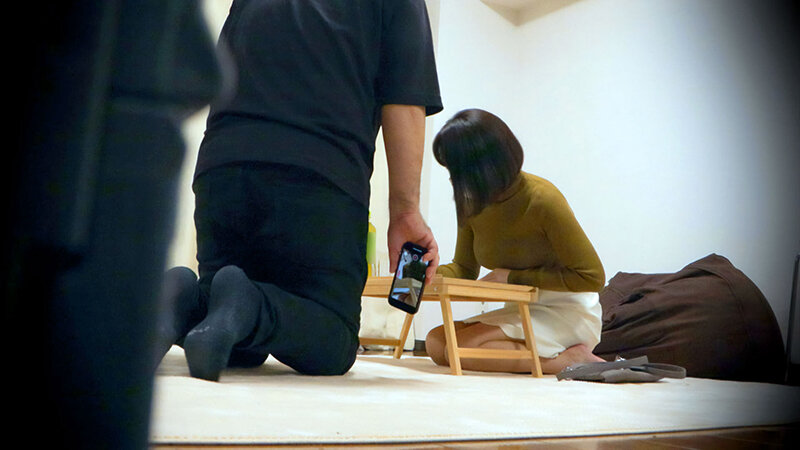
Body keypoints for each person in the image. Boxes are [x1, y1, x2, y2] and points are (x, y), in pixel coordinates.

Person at [152, 0, 442, 381]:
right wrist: (405, 212)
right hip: (317, 176)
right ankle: (243, 301)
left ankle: (183, 300)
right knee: (335, 339)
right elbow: (404, 102)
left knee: (235, 336)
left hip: (222, 172)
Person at [425, 109, 606, 374]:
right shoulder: (472, 201)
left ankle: (572, 358)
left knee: (459, 349)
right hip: (521, 307)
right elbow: (464, 268)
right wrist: (429, 271)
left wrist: (511, 278)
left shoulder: (542, 200)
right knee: (435, 342)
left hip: (566, 311)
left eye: (457, 169)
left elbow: (592, 277)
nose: (452, 178)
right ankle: (550, 355)